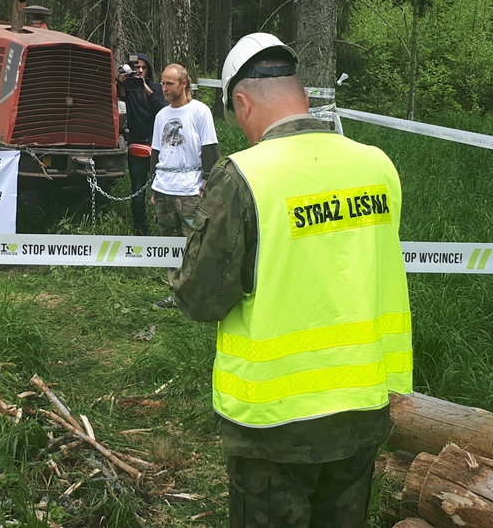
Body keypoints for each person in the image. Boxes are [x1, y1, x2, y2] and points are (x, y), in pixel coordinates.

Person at [169, 33, 413, 527]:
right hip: (363, 403)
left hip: (274, 420)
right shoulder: (376, 165)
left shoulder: (244, 176)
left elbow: (201, 298)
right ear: (301, 94)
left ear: (242, 102)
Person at [149, 64, 219, 309]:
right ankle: (176, 292)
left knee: (194, 242)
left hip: (190, 189)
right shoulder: (161, 116)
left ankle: (197, 294)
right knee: (169, 242)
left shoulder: (200, 112)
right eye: (163, 83)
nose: (164, 88)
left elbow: (210, 147)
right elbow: (156, 152)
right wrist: (153, 188)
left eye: (169, 83)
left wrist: (207, 180)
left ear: (184, 84)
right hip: (164, 187)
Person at [116, 53, 167, 235]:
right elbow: (121, 112)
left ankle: (163, 231)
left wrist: (147, 91)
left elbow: (163, 111)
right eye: (136, 67)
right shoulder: (128, 90)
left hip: (159, 149)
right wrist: (122, 86)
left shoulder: (157, 89)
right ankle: (141, 233)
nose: (139, 71)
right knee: (137, 195)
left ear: (148, 70)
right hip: (136, 148)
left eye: (143, 67)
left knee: (162, 194)